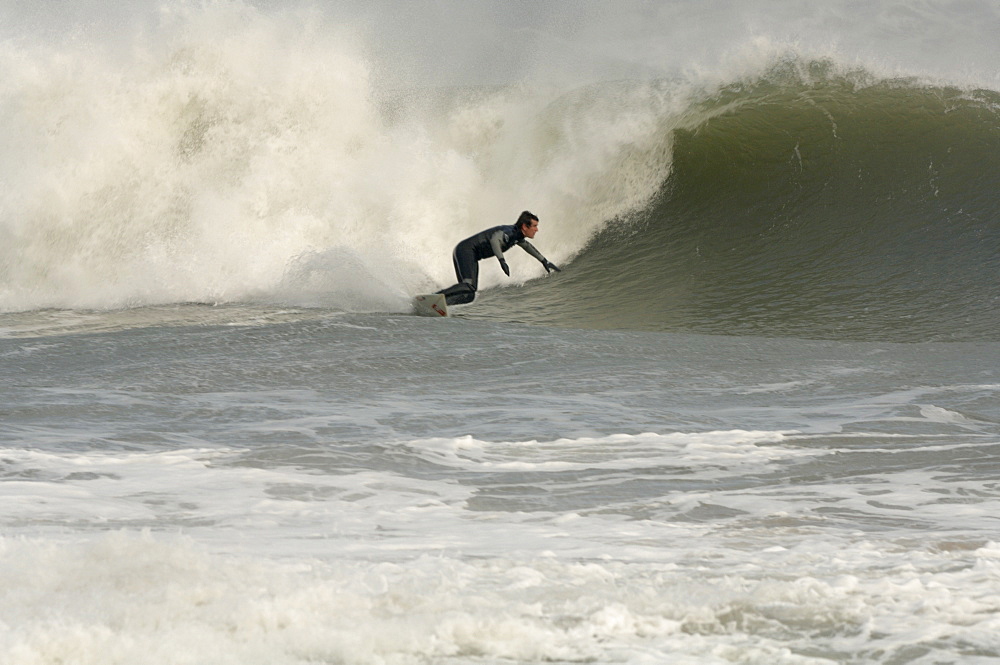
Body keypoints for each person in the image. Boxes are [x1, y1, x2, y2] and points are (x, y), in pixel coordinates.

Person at [437, 211, 561, 305]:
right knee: (469, 286)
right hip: (466, 250)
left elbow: (528, 247)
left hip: (471, 254)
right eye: (534, 226)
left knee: (469, 295)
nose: (536, 229)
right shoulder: (509, 232)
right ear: (524, 226)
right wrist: (502, 261)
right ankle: (434, 296)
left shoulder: (517, 236)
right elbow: (494, 240)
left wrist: (544, 261)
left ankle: (439, 304)